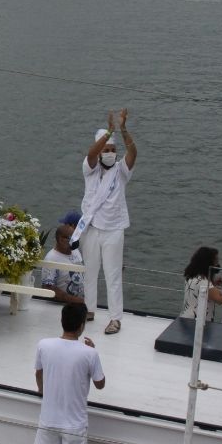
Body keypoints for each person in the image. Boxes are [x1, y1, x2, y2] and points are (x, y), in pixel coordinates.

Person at [30, 303, 105, 444]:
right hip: (74, 424)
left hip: (48, 418)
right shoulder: (89, 353)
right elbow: (100, 384)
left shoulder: (44, 345)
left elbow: (39, 373)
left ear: (62, 321)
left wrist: (42, 391)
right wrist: (92, 352)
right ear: (82, 326)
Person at [71, 109, 136, 335]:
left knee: (112, 274)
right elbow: (91, 153)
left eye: (112, 150)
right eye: (106, 150)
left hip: (114, 229)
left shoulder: (121, 171)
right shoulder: (89, 169)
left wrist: (123, 130)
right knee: (89, 271)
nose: (109, 153)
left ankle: (115, 318)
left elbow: (133, 152)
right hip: (91, 227)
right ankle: (88, 310)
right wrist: (108, 132)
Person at [41, 225, 84, 304]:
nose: (75, 241)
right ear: (61, 239)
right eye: (71, 238)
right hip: (62, 306)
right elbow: (48, 287)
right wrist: (75, 300)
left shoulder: (75, 251)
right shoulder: (51, 258)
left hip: (80, 304)